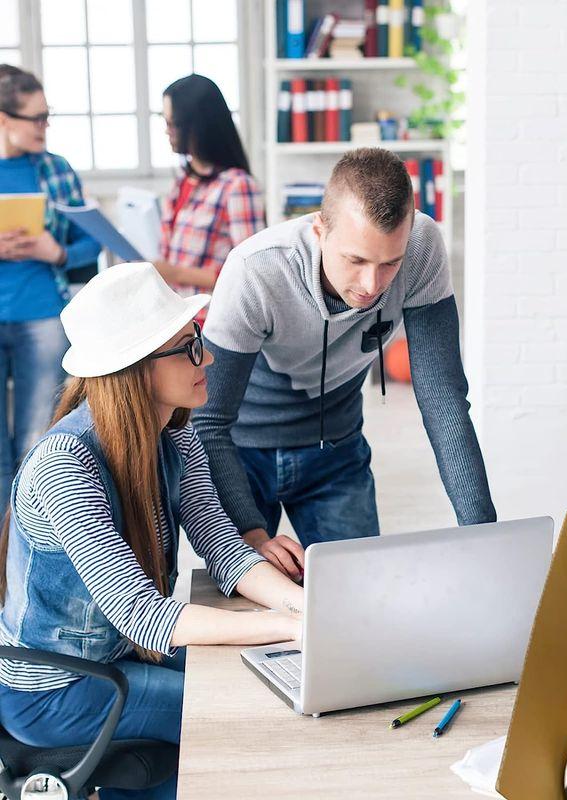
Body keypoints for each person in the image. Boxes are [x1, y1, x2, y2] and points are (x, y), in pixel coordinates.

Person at [0, 263, 303, 800]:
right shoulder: (66, 465)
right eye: (189, 347)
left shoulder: (177, 437)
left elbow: (224, 550)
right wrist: (292, 629)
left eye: (200, 340)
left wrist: (302, 606)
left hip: (116, 657)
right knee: (235, 705)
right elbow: (145, 617)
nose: (207, 358)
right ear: (136, 368)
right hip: (58, 688)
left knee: (263, 675)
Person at [193, 147, 496, 578]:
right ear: (320, 230)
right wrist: (251, 533)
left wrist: (483, 532)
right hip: (242, 454)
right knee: (250, 609)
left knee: (360, 597)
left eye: (390, 263)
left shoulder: (422, 245)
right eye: (356, 260)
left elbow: (443, 399)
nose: (372, 285)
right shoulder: (256, 269)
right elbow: (208, 420)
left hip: (336, 447)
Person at [0, 65, 101, 509]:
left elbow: (91, 242)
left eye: (47, 116)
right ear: (3, 119)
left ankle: (19, 564)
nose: (45, 126)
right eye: (35, 118)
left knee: (34, 442)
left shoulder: (56, 170)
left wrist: (53, 251)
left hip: (43, 319)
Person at [155, 74, 265, 325]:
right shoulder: (183, 180)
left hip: (213, 325)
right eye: (166, 122)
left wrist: (176, 273)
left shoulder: (237, 186)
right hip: (176, 321)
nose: (167, 131)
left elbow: (250, 273)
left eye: (173, 124)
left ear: (196, 126)